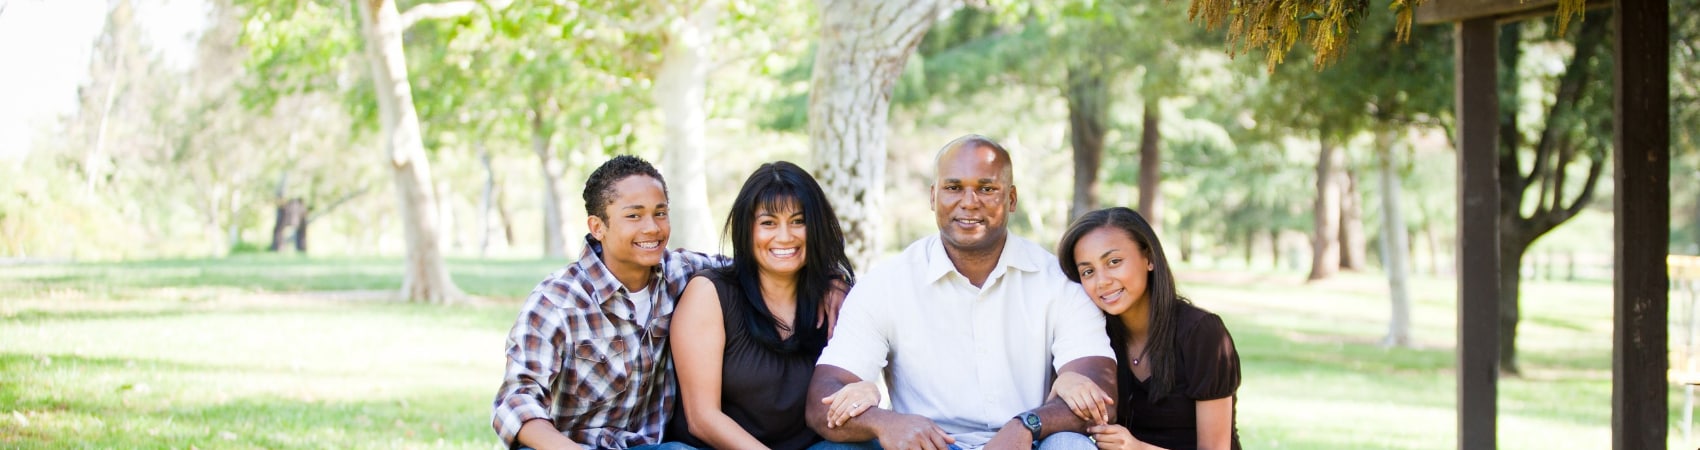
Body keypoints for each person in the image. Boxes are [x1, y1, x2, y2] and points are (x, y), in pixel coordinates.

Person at [805, 135, 1116, 450]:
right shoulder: (886, 284)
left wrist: (1026, 425)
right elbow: (821, 402)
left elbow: (1101, 395)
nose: (969, 202)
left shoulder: (1059, 282)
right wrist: (885, 422)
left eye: (987, 188)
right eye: (953, 188)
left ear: (1011, 199)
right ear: (933, 197)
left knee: (1070, 446)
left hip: (1030, 442)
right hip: (926, 445)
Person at [491, 155, 727, 450]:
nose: (652, 227)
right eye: (634, 216)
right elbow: (516, 400)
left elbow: (752, 265)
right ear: (597, 226)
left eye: (661, 213)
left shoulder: (682, 274)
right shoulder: (557, 301)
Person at [667, 161, 857, 450]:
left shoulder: (835, 297)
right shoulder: (710, 295)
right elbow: (701, 417)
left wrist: (837, 279)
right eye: (768, 223)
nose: (784, 236)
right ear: (746, 229)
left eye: (798, 221)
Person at [1051, 207, 1241, 450]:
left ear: (1149, 258)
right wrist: (1064, 381)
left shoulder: (1202, 333)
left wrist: (1138, 448)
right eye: (1088, 271)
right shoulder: (1094, 335)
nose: (1102, 281)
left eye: (1114, 262)